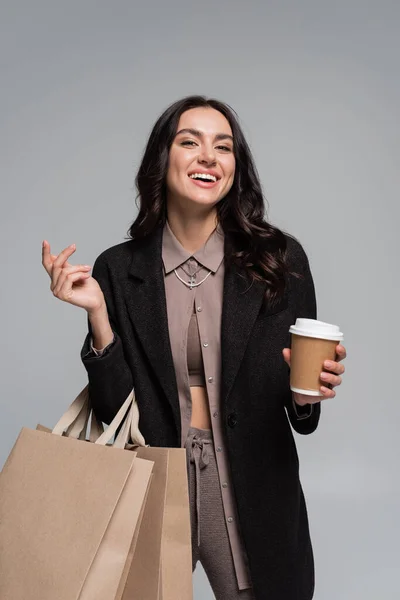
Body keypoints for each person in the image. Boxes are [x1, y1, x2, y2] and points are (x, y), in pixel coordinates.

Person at [42, 95, 347, 600]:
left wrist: (307, 398)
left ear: (234, 168)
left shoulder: (278, 260)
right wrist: (98, 314)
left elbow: (302, 412)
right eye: (191, 142)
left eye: (222, 147)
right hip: (155, 482)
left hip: (250, 479)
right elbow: (114, 413)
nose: (208, 156)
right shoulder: (117, 270)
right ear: (164, 160)